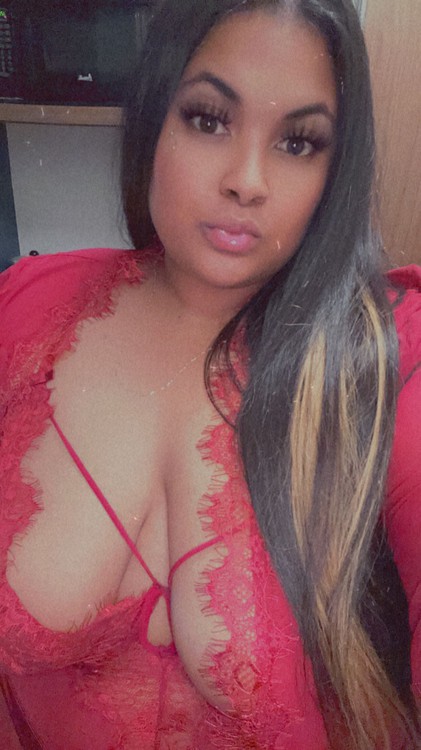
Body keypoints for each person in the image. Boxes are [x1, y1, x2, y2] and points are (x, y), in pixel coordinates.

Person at [0, 0, 420, 748]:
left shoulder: (390, 356)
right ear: (154, 119)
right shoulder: (27, 305)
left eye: (298, 141)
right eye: (208, 119)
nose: (247, 180)